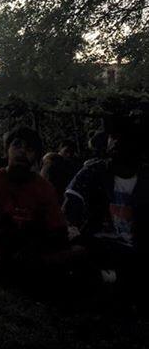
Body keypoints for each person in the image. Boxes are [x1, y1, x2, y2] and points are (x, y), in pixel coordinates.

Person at [0, 125, 72, 281]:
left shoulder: (45, 187)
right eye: (17, 145)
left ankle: (13, 268)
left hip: (34, 247)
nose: (22, 152)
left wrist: (34, 243)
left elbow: (59, 231)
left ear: (36, 157)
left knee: (76, 252)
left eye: (29, 149)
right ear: (6, 150)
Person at [63, 115, 149, 296]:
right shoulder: (93, 172)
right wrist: (73, 232)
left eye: (126, 137)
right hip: (93, 246)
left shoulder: (145, 181)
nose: (117, 141)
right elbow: (69, 213)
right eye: (114, 135)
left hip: (134, 253)